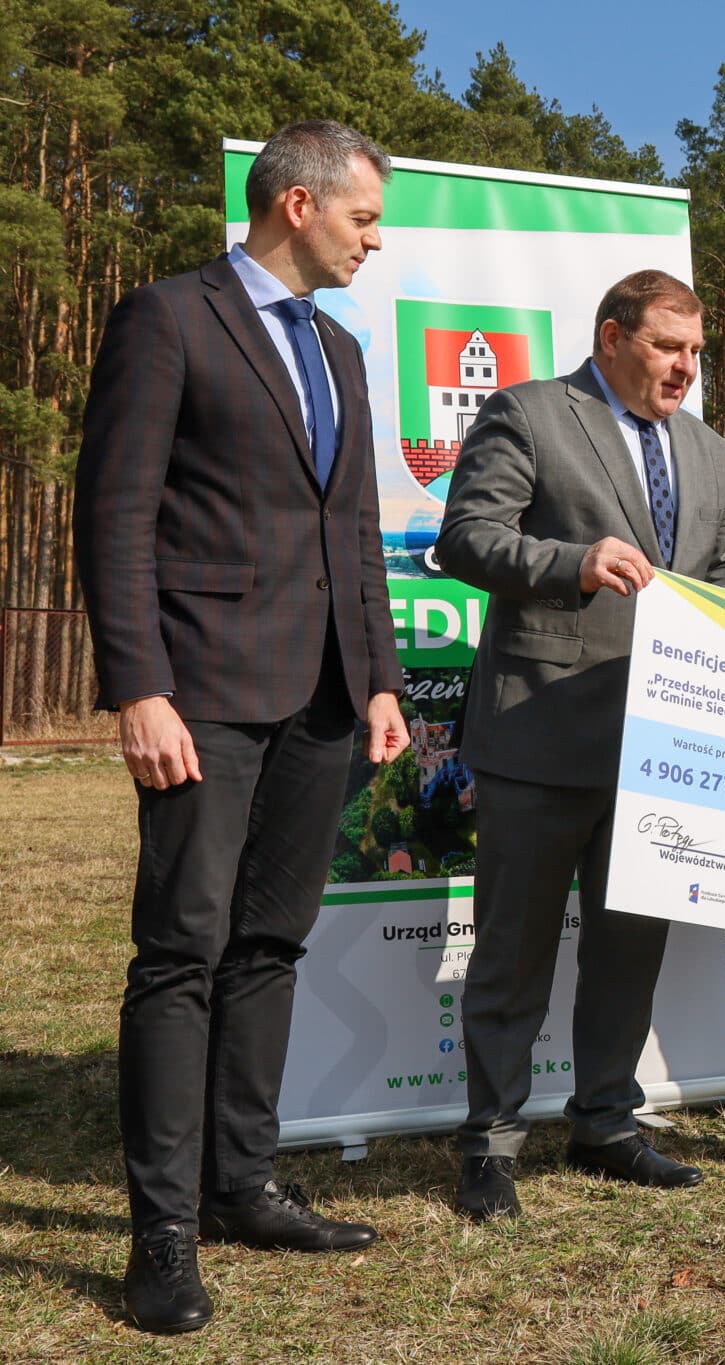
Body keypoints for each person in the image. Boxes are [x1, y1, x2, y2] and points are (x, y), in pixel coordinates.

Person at [74, 119, 410, 1336]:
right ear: (298, 203)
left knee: (270, 946)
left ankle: (242, 1184)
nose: (377, 239)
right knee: (181, 954)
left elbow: (354, 533)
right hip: (202, 694)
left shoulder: (341, 349)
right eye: (364, 217)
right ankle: (160, 1236)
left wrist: (374, 678)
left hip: (324, 700)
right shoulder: (170, 319)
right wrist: (138, 687)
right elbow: (114, 516)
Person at [436, 270, 725, 1219]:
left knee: (627, 952)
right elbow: (466, 540)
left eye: (696, 352)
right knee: (514, 953)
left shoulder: (711, 451)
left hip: (659, 746)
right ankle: (490, 1144)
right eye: (668, 347)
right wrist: (574, 563)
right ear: (613, 337)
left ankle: (606, 1119)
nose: (686, 369)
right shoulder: (530, 414)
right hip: (540, 730)